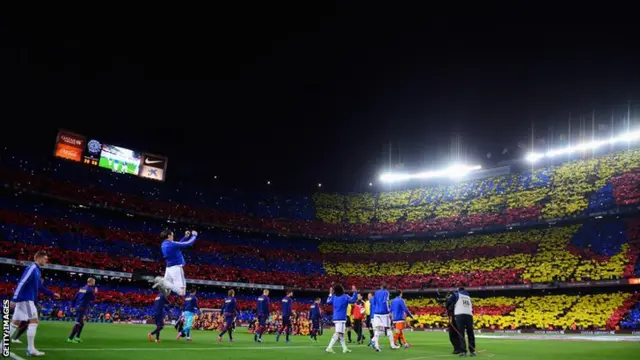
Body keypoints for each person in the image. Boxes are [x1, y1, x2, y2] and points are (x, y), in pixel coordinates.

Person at [7, 250, 60, 357]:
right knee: (34, 322)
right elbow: (22, 282)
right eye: (45, 258)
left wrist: (51, 294)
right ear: (38, 258)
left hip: (24, 300)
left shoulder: (37, 270)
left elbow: (39, 287)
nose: (46, 260)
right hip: (26, 299)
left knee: (14, 323)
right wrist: (14, 299)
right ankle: (31, 349)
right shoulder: (32, 268)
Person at [153, 230, 198, 297]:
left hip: (168, 269)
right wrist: (194, 235)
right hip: (176, 268)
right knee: (182, 292)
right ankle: (163, 282)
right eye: (172, 235)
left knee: (167, 292)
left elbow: (177, 245)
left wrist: (185, 237)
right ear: (169, 236)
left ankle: (164, 283)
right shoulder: (171, 244)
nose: (173, 236)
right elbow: (188, 244)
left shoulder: (164, 244)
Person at [325, 284, 358, 354]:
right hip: (341, 318)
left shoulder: (334, 297)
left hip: (336, 317)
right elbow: (353, 300)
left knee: (341, 334)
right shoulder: (345, 297)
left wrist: (330, 293)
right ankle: (329, 347)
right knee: (337, 333)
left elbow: (328, 301)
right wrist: (355, 292)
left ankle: (344, 348)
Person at [447, 287, 476, 357]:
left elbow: (449, 302)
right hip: (469, 315)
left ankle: (463, 351)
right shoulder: (469, 297)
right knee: (470, 333)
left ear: (459, 290)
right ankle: (472, 351)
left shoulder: (456, 295)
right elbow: (471, 307)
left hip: (459, 315)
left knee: (461, 334)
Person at [67, 277, 97, 343]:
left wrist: (72, 306)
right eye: (94, 282)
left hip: (78, 306)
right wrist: (95, 293)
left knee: (81, 323)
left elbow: (74, 298)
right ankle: (70, 338)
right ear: (91, 282)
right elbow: (93, 298)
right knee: (78, 323)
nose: (94, 283)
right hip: (82, 307)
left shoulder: (81, 288)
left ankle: (77, 337)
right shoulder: (90, 289)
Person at [371, 282, 399, 351]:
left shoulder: (376, 292)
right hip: (384, 313)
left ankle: (376, 345)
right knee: (388, 328)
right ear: (386, 287)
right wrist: (389, 311)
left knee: (377, 329)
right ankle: (392, 345)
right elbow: (385, 302)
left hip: (376, 313)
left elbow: (373, 302)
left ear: (380, 286)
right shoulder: (386, 292)